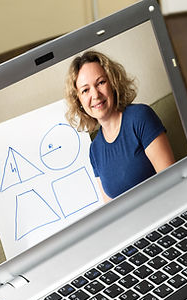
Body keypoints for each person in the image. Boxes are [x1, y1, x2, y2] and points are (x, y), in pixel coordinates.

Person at [64, 50, 175, 201]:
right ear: (79, 102)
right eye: (85, 90)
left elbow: (173, 183)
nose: (95, 95)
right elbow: (112, 209)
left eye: (101, 82)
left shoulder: (140, 117)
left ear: (113, 83)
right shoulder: (94, 150)